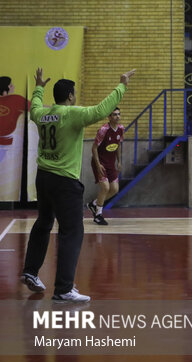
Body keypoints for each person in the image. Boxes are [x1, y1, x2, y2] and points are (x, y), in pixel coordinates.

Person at [21, 67, 136, 302]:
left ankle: (30, 272)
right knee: (72, 231)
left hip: (43, 177)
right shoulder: (72, 113)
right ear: (71, 96)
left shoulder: (42, 114)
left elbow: (33, 107)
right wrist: (122, 85)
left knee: (43, 222)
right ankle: (63, 289)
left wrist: (39, 87)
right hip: (64, 181)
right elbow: (102, 110)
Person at [87, 107, 124, 225]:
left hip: (111, 163)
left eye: (119, 114)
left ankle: (94, 204)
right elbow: (94, 148)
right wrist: (97, 164)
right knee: (106, 188)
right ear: (109, 117)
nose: (117, 117)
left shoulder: (121, 129)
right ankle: (98, 215)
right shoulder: (103, 130)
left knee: (115, 189)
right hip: (100, 163)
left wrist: (119, 161)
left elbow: (117, 145)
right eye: (114, 115)